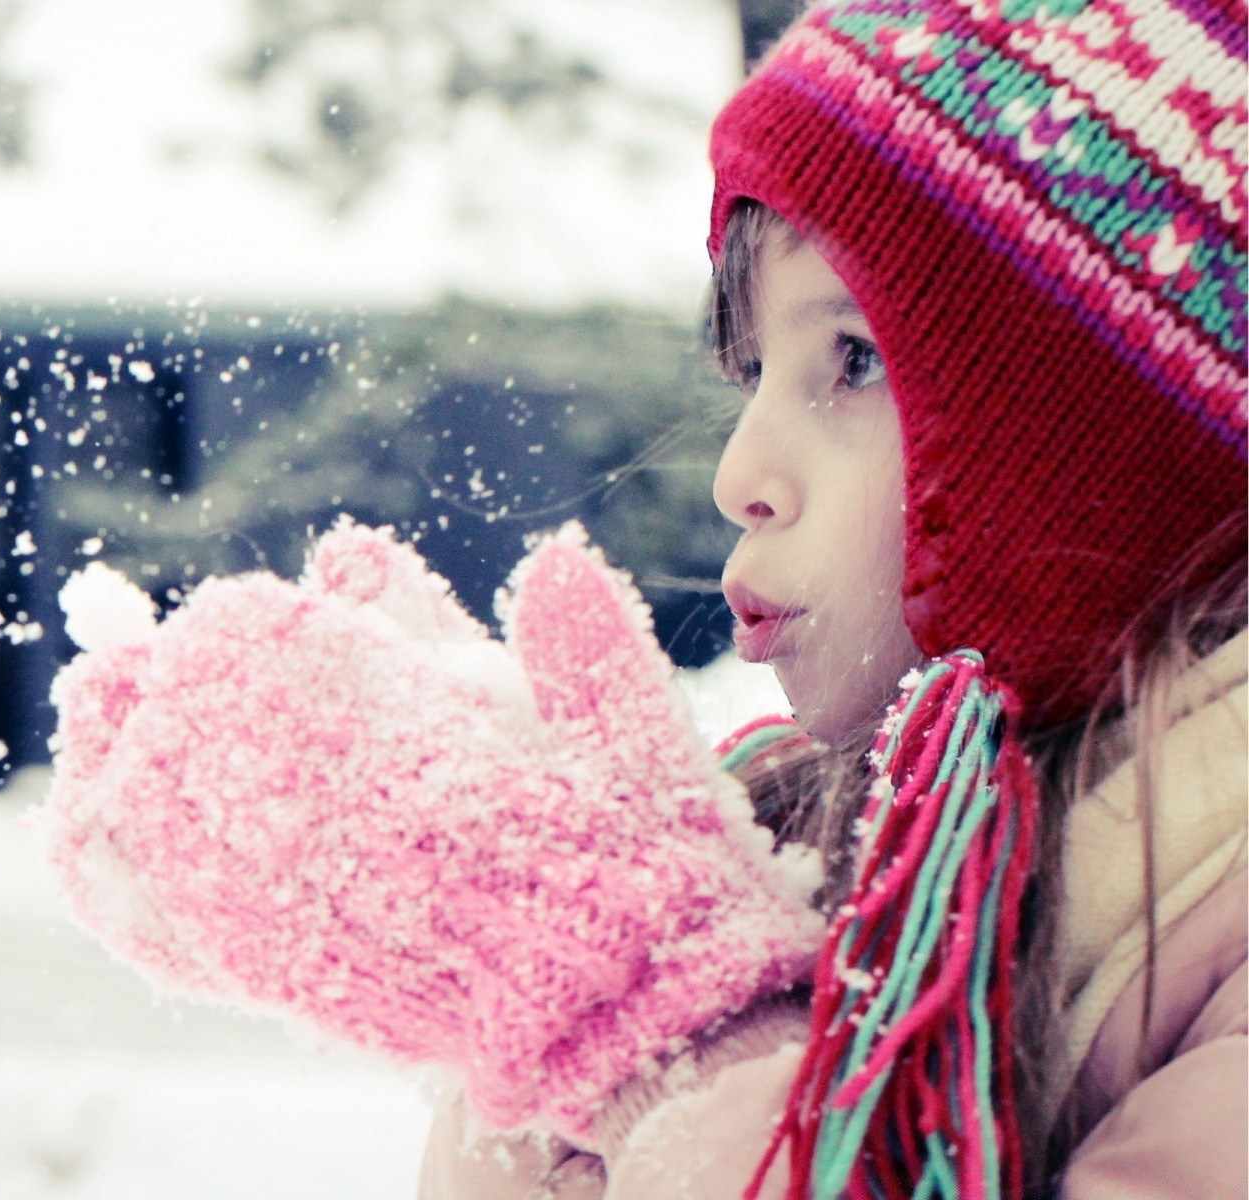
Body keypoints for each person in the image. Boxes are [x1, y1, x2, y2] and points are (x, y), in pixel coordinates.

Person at [419, 0, 1247, 1193]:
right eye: (752, 374)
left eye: (851, 359)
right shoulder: (797, 857)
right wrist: (551, 993)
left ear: (1106, 455)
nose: (738, 476)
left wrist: (670, 1043)